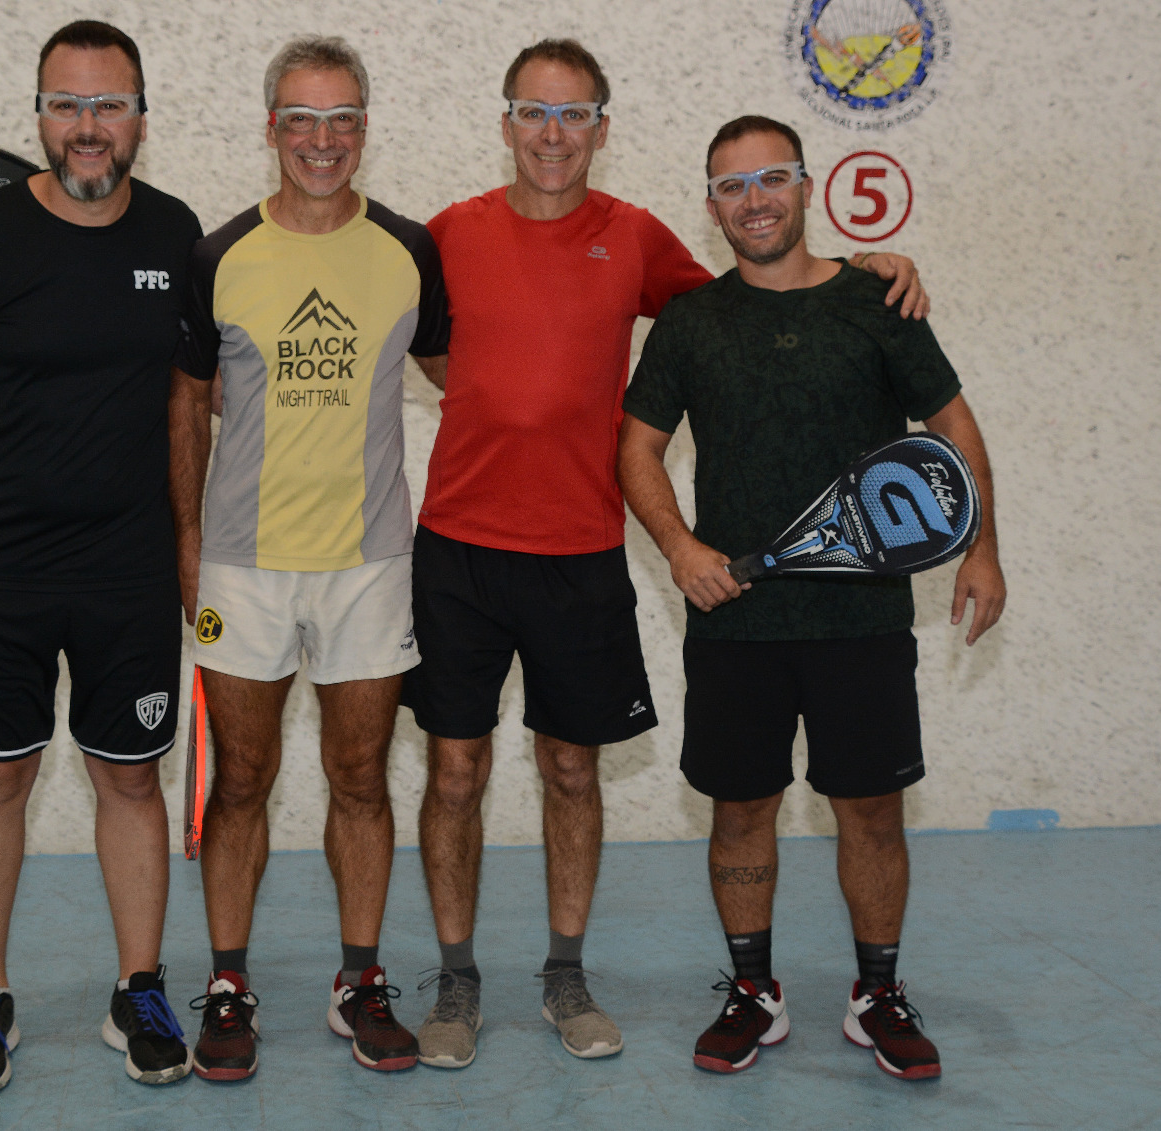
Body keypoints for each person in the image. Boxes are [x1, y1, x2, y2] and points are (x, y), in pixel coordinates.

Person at [403, 40, 929, 1070]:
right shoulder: (449, 234)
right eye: (533, 112)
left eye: (574, 114)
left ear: (602, 128)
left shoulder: (638, 238)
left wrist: (871, 266)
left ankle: (565, 976)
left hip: (582, 549)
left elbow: (759, 285)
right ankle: (457, 980)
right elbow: (422, 341)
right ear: (505, 123)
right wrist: (491, 391)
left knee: (570, 766)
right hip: (458, 546)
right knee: (454, 771)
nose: (553, 134)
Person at [618, 115, 1005, 1081]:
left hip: (862, 620)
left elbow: (953, 425)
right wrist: (680, 548)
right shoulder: (691, 322)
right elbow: (636, 449)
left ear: (805, 184)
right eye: (732, 186)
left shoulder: (879, 301)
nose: (754, 200)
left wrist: (983, 548)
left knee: (870, 810)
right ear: (712, 207)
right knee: (740, 809)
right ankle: (754, 990)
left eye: (772, 178)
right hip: (737, 621)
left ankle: (878, 994)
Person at [0, 21, 202, 1094]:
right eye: (67, 104)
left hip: (128, 564)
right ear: (39, 116)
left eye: (109, 104)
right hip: (2, 561)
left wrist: (194, 540)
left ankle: (139, 989)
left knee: (131, 775)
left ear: (141, 118)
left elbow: (190, 403)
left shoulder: (175, 233)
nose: (88, 126)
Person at [168, 36, 449, 1079]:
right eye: (301, 119)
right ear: (271, 128)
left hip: (370, 564)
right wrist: (189, 542)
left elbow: (472, 373)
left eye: (341, 120)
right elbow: (185, 404)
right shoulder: (220, 255)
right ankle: (228, 985)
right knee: (241, 780)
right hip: (242, 568)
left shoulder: (409, 251)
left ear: (365, 129)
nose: (321, 141)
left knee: (360, 776)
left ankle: (359, 980)